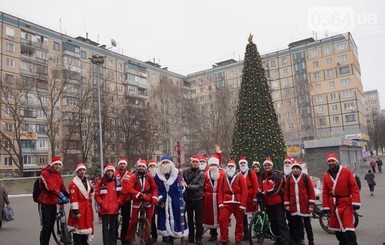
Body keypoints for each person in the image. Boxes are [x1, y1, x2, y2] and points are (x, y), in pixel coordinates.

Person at [322, 153, 361, 245]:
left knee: (348, 227)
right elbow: (325, 192)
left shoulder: (346, 171)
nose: (331, 163)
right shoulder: (326, 175)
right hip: (333, 205)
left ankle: (352, 243)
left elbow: (354, 187)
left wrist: (356, 201)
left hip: (345, 202)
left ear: (336, 161)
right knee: (337, 228)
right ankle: (342, 243)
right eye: (329, 161)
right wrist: (326, 207)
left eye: (333, 161)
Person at [154, 155, 188, 245]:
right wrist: (160, 199)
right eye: (163, 162)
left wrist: (182, 186)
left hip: (175, 198)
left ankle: (179, 235)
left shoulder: (177, 173)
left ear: (170, 163)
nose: (165, 164)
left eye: (167, 162)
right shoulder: (158, 175)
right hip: (164, 198)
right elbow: (156, 188)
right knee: (165, 218)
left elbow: (182, 185)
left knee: (178, 216)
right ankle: (169, 237)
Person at [123, 159, 158, 244]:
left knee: (149, 220)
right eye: (140, 166)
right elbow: (129, 188)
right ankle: (128, 238)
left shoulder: (149, 176)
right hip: (137, 199)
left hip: (148, 199)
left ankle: (146, 238)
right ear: (137, 167)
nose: (141, 168)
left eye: (143, 166)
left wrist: (154, 197)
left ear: (145, 168)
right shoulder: (133, 176)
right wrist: (139, 194)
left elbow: (154, 188)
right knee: (134, 220)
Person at [37, 156, 69, 245]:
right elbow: (50, 187)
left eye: (59, 164)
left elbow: (62, 187)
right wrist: (61, 195)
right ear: (52, 165)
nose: (58, 166)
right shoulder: (44, 173)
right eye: (56, 164)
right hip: (44, 203)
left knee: (51, 227)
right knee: (46, 227)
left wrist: (68, 195)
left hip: (53, 203)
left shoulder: (58, 174)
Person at [284, 161, 315, 245]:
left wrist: (311, 205)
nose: (295, 170)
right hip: (294, 206)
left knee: (307, 224)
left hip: (304, 205)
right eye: (294, 168)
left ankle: (311, 240)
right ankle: (300, 240)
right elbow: (286, 192)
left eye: (297, 168)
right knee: (297, 225)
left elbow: (311, 191)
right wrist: (287, 204)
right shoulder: (289, 178)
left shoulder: (305, 177)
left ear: (300, 169)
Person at [261, 158, 291, 245]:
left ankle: (286, 241)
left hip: (277, 203)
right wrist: (259, 192)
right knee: (273, 223)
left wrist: (264, 193)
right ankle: (279, 239)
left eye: (268, 165)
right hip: (268, 203)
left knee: (281, 222)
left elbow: (276, 189)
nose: (267, 167)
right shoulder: (263, 176)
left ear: (272, 166)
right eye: (265, 165)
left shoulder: (277, 175)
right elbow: (260, 186)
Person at [217, 159, 247, 245]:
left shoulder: (239, 176)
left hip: (238, 202)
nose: (230, 167)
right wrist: (220, 203)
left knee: (240, 222)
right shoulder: (224, 176)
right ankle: (224, 239)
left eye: (232, 166)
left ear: (235, 167)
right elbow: (220, 190)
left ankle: (238, 239)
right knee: (222, 220)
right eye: (229, 166)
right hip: (226, 202)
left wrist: (243, 204)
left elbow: (244, 191)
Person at [95, 164, 121, 245]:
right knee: (105, 228)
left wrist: (117, 203)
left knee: (113, 227)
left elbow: (121, 195)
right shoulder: (100, 182)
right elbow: (97, 195)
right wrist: (101, 203)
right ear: (105, 172)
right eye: (108, 171)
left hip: (114, 208)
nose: (110, 173)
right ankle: (106, 243)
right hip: (104, 209)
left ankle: (113, 242)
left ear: (113, 172)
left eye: (111, 171)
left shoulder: (117, 182)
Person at [68, 163, 94, 244]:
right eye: (80, 170)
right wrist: (76, 211)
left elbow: (88, 193)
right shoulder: (73, 184)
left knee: (86, 226)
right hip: (79, 208)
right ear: (77, 172)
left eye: (83, 170)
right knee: (78, 227)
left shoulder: (87, 181)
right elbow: (73, 198)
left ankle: (84, 241)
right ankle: (78, 242)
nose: (82, 172)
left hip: (87, 208)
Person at [183, 155, 205, 245]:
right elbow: (182, 180)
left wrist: (188, 186)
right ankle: (191, 237)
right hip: (188, 199)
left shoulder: (201, 173)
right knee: (190, 219)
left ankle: (198, 237)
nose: (195, 163)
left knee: (199, 219)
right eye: (194, 162)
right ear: (191, 162)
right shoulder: (185, 172)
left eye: (197, 162)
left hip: (198, 198)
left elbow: (200, 186)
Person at [203, 155, 225, 242]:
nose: (213, 166)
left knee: (222, 217)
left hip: (219, 197)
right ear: (209, 165)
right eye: (211, 164)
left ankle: (223, 235)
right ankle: (213, 234)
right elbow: (203, 186)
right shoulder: (205, 175)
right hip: (209, 198)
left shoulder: (222, 174)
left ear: (217, 166)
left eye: (215, 165)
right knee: (210, 216)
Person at [238, 157, 259, 240]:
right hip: (243, 198)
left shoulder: (251, 172)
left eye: (244, 163)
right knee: (243, 216)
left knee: (254, 215)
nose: (242, 165)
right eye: (241, 163)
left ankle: (257, 232)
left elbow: (256, 185)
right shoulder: (238, 173)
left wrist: (255, 198)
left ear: (246, 164)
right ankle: (246, 234)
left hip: (251, 197)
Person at [114, 158, 132, 245]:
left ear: (126, 165)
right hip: (116, 200)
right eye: (121, 164)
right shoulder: (114, 174)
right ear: (118, 165)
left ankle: (124, 237)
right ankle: (114, 235)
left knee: (126, 219)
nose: (122, 165)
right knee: (114, 220)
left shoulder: (130, 175)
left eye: (124, 164)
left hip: (126, 200)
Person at [147, 159, 159, 243]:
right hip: (150, 198)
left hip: (160, 198)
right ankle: (153, 234)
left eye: (153, 166)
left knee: (162, 216)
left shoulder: (159, 175)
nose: (152, 167)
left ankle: (165, 235)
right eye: (150, 166)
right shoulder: (147, 176)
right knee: (151, 218)